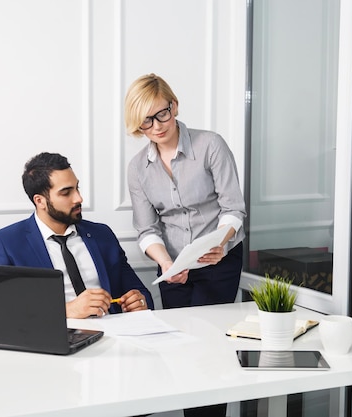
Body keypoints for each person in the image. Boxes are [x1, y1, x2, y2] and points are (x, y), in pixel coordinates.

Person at [125, 73, 245, 417]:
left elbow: (233, 207)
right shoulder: (138, 169)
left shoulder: (211, 145)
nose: (157, 126)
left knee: (210, 349)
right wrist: (165, 264)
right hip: (174, 268)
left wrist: (222, 244)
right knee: (181, 351)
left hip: (218, 262)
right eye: (146, 121)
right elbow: (146, 229)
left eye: (161, 114)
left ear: (173, 106)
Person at [0, 152, 153, 319]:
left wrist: (139, 302)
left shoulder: (102, 235)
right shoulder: (5, 243)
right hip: (53, 340)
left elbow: (141, 294)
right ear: (40, 201)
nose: (79, 198)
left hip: (114, 336)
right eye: (66, 192)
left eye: (77, 188)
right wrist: (64, 311)